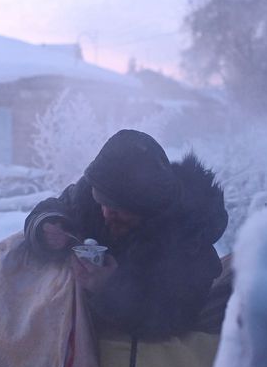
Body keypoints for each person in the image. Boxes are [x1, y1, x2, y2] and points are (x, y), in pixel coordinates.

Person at [24, 129, 228, 340]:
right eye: (102, 203)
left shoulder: (190, 241)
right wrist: (47, 227)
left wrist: (109, 289)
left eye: (116, 209)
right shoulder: (95, 193)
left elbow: (172, 319)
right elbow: (57, 207)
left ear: (147, 208)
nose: (105, 213)